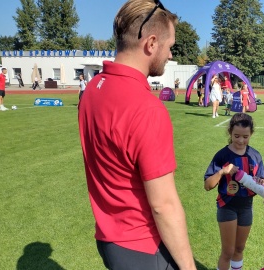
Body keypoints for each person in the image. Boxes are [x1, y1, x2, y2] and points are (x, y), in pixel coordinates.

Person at [78, 0, 196, 269]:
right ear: (151, 43)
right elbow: (163, 205)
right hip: (143, 246)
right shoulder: (146, 108)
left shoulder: (94, 87)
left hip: (109, 239)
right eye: (169, 47)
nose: (169, 55)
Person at [204, 113, 264, 270]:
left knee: (239, 249)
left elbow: (263, 182)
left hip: (246, 207)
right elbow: (207, 185)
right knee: (228, 251)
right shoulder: (222, 155)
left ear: (251, 134)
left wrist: (261, 181)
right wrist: (222, 172)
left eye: (245, 137)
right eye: (236, 136)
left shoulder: (255, 156)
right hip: (227, 206)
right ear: (230, 132)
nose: (240, 140)